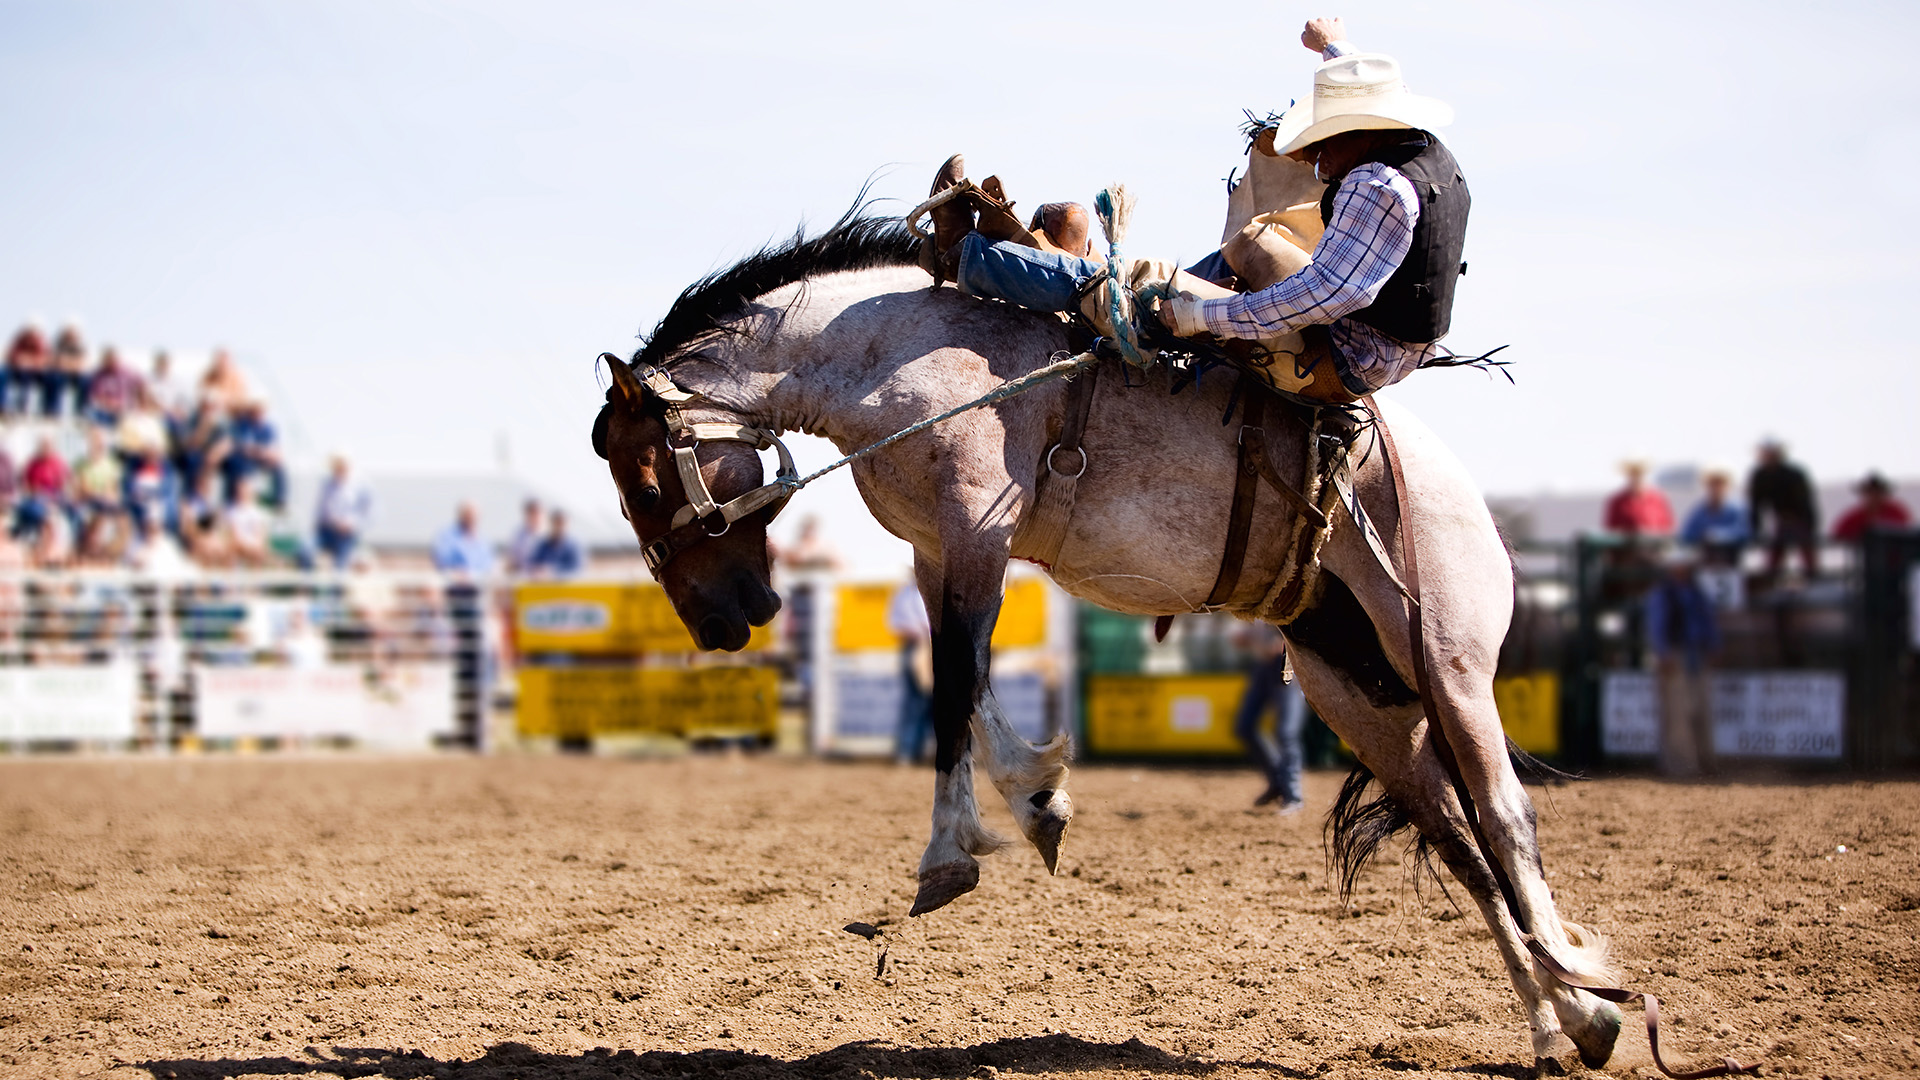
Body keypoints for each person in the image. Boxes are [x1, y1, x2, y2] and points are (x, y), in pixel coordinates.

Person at [923, 17, 1468, 403]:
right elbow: (1364, 89)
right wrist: (1333, 47)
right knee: (1254, 241)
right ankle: (1087, 277)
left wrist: (1200, 316)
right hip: (1369, 340)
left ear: (1363, 129)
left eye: (1326, 140)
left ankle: (964, 255)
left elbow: (1323, 297)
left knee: (1145, 287)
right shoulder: (1415, 149)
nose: (1317, 158)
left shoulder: (1377, 186)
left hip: (1334, 357)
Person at [1645, 548, 1720, 778]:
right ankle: (1681, 764)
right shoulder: (1665, 594)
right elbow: (1657, 626)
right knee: (1677, 712)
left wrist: (1713, 646)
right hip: (1676, 655)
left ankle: (1702, 761)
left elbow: (1708, 621)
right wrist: (1663, 653)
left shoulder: (1695, 592)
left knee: (1699, 709)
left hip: (1695, 653)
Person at [1231, 622, 1307, 813]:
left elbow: (1280, 644)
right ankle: (1277, 782)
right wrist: (1249, 638)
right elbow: (1242, 639)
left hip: (1285, 666)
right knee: (1245, 727)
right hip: (1263, 668)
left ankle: (1292, 796)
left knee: (1286, 733)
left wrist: (1259, 640)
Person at [1747, 438, 1819, 581]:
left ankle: (1814, 581)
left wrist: (1809, 526)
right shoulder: (1760, 476)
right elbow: (1756, 505)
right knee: (1773, 561)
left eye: (1772, 453)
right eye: (1766, 453)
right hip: (1780, 521)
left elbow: (1806, 502)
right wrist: (1755, 530)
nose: (1769, 456)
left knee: (1808, 557)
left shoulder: (1794, 474)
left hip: (1800, 520)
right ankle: (1770, 583)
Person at [887, 579, 933, 765]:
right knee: (916, 700)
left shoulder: (906, 594)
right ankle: (908, 750)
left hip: (935, 644)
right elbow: (896, 623)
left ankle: (919, 750)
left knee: (937, 702)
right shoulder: (905, 594)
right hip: (918, 646)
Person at [313, 455, 372, 570]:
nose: (339, 469)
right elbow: (322, 511)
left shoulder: (360, 486)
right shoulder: (326, 484)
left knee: (341, 565)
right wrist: (333, 522)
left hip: (346, 534)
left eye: (342, 466)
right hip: (326, 531)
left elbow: (368, 512)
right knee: (306, 550)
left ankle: (339, 579)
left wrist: (351, 523)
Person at [1832, 473, 1912, 542]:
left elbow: (1907, 534)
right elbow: (1837, 537)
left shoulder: (1896, 512)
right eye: (1870, 492)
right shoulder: (1854, 517)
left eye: (1877, 492)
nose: (1873, 496)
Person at [1603, 460, 1674, 538]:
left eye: (1639, 474)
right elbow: (1611, 529)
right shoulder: (1617, 501)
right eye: (1633, 475)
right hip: (1628, 543)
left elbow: (1667, 526)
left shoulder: (1657, 499)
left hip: (1653, 543)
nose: (1636, 479)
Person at [431, 502, 496, 578]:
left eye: (473, 516)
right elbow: (442, 560)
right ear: (461, 515)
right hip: (453, 580)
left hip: (478, 580)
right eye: (468, 515)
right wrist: (457, 571)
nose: (471, 519)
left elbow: (488, 565)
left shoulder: (483, 540)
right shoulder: (447, 536)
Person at [224, 474, 272, 568]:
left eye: (245, 489)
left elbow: (261, 533)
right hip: (239, 545)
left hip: (254, 545)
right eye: (240, 490)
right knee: (232, 547)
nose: (242, 492)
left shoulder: (258, 512)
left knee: (261, 551)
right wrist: (246, 546)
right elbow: (233, 534)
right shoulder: (231, 511)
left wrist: (257, 545)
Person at [529, 509, 584, 579]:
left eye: (562, 523)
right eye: (557, 523)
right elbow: (533, 564)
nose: (559, 527)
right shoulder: (542, 545)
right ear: (551, 524)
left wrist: (552, 570)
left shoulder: (574, 546)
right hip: (544, 584)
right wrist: (538, 570)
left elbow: (577, 569)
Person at [506, 498, 544, 576]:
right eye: (531, 513)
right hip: (523, 576)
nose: (534, 516)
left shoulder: (546, 534)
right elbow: (512, 559)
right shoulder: (518, 534)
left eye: (537, 513)